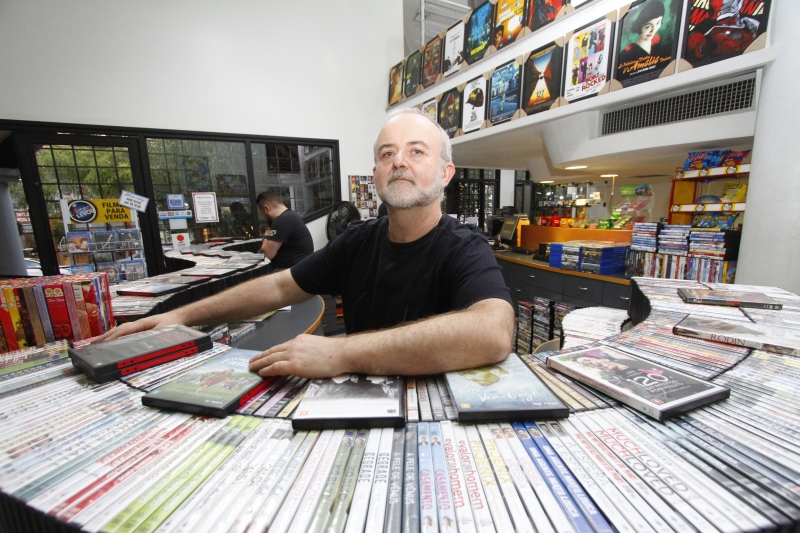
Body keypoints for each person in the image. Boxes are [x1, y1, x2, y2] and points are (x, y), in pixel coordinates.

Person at [99, 107, 514, 379]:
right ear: (375, 173)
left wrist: (342, 353)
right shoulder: (357, 241)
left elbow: (493, 332)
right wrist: (179, 316)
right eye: (387, 154)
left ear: (445, 174)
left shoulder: (464, 247)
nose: (399, 161)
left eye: (416, 152)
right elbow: (280, 286)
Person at [256, 191, 314, 270]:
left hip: (292, 272)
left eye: (263, 214)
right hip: (299, 268)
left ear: (267, 208)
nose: (264, 218)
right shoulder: (289, 217)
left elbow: (267, 254)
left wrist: (266, 234)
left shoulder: (281, 220)